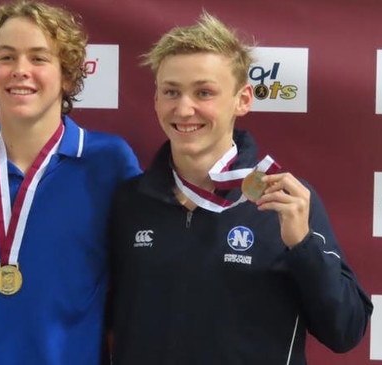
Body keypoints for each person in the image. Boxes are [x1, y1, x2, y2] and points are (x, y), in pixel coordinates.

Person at [109, 12, 373, 365]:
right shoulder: (129, 202)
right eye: (171, 91)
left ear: (243, 99)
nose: (184, 108)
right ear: (156, 99)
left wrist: (302, 245)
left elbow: (346, 331)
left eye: (204, 92)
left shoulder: (283, 201)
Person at [0, 1, 141, 364]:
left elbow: (144, 271)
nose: (20, 71)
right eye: (6, 58)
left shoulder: (108, 161)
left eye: (38, 58)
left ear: (67, 75)